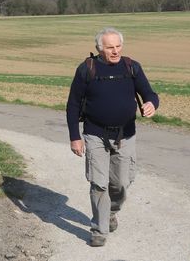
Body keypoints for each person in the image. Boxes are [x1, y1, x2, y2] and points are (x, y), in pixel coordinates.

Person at [66, 27, 159, 247]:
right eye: (110, 47)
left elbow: (150, 93)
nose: (115, 51)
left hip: (125, 134)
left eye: (118, 46)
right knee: (99, 184)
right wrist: (74, 137)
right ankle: (99, 230)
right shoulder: (86, 69)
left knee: (121, 184)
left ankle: (110, 213)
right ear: (100, 48)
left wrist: (151, 104)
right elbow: (72, 105)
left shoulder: (131, 67)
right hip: (95, 133)